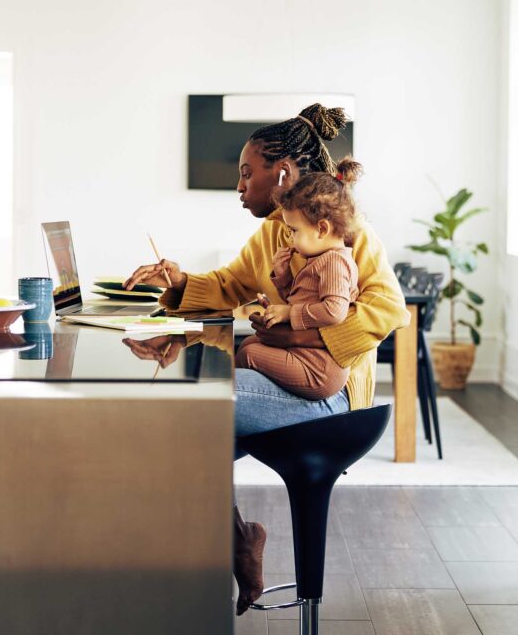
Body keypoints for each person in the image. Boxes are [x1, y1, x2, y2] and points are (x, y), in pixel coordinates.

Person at [123, 103, 409, 614]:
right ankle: (232, 541)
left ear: (280, 173)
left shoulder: (343, 230)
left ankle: (215, 553)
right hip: (289, 378)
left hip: (330, 395)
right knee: (179, 427)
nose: (239, 187)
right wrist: (180, 281)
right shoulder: (278, 231)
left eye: (245, 174)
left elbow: (389, 308)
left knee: (186, 413)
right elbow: (232, 285)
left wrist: (304, 338)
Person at [236, 160, 364, 400]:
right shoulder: (319, 259)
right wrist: (283, 275)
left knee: (248, 354)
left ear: (322, 229)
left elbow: (335, 311)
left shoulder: (335, 262)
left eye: (294, 231)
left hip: (318, 370)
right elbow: (301, 299)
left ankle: (252, 401)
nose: (291, 238)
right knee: (248, 344)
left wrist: (287, 314)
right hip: (305, 357)